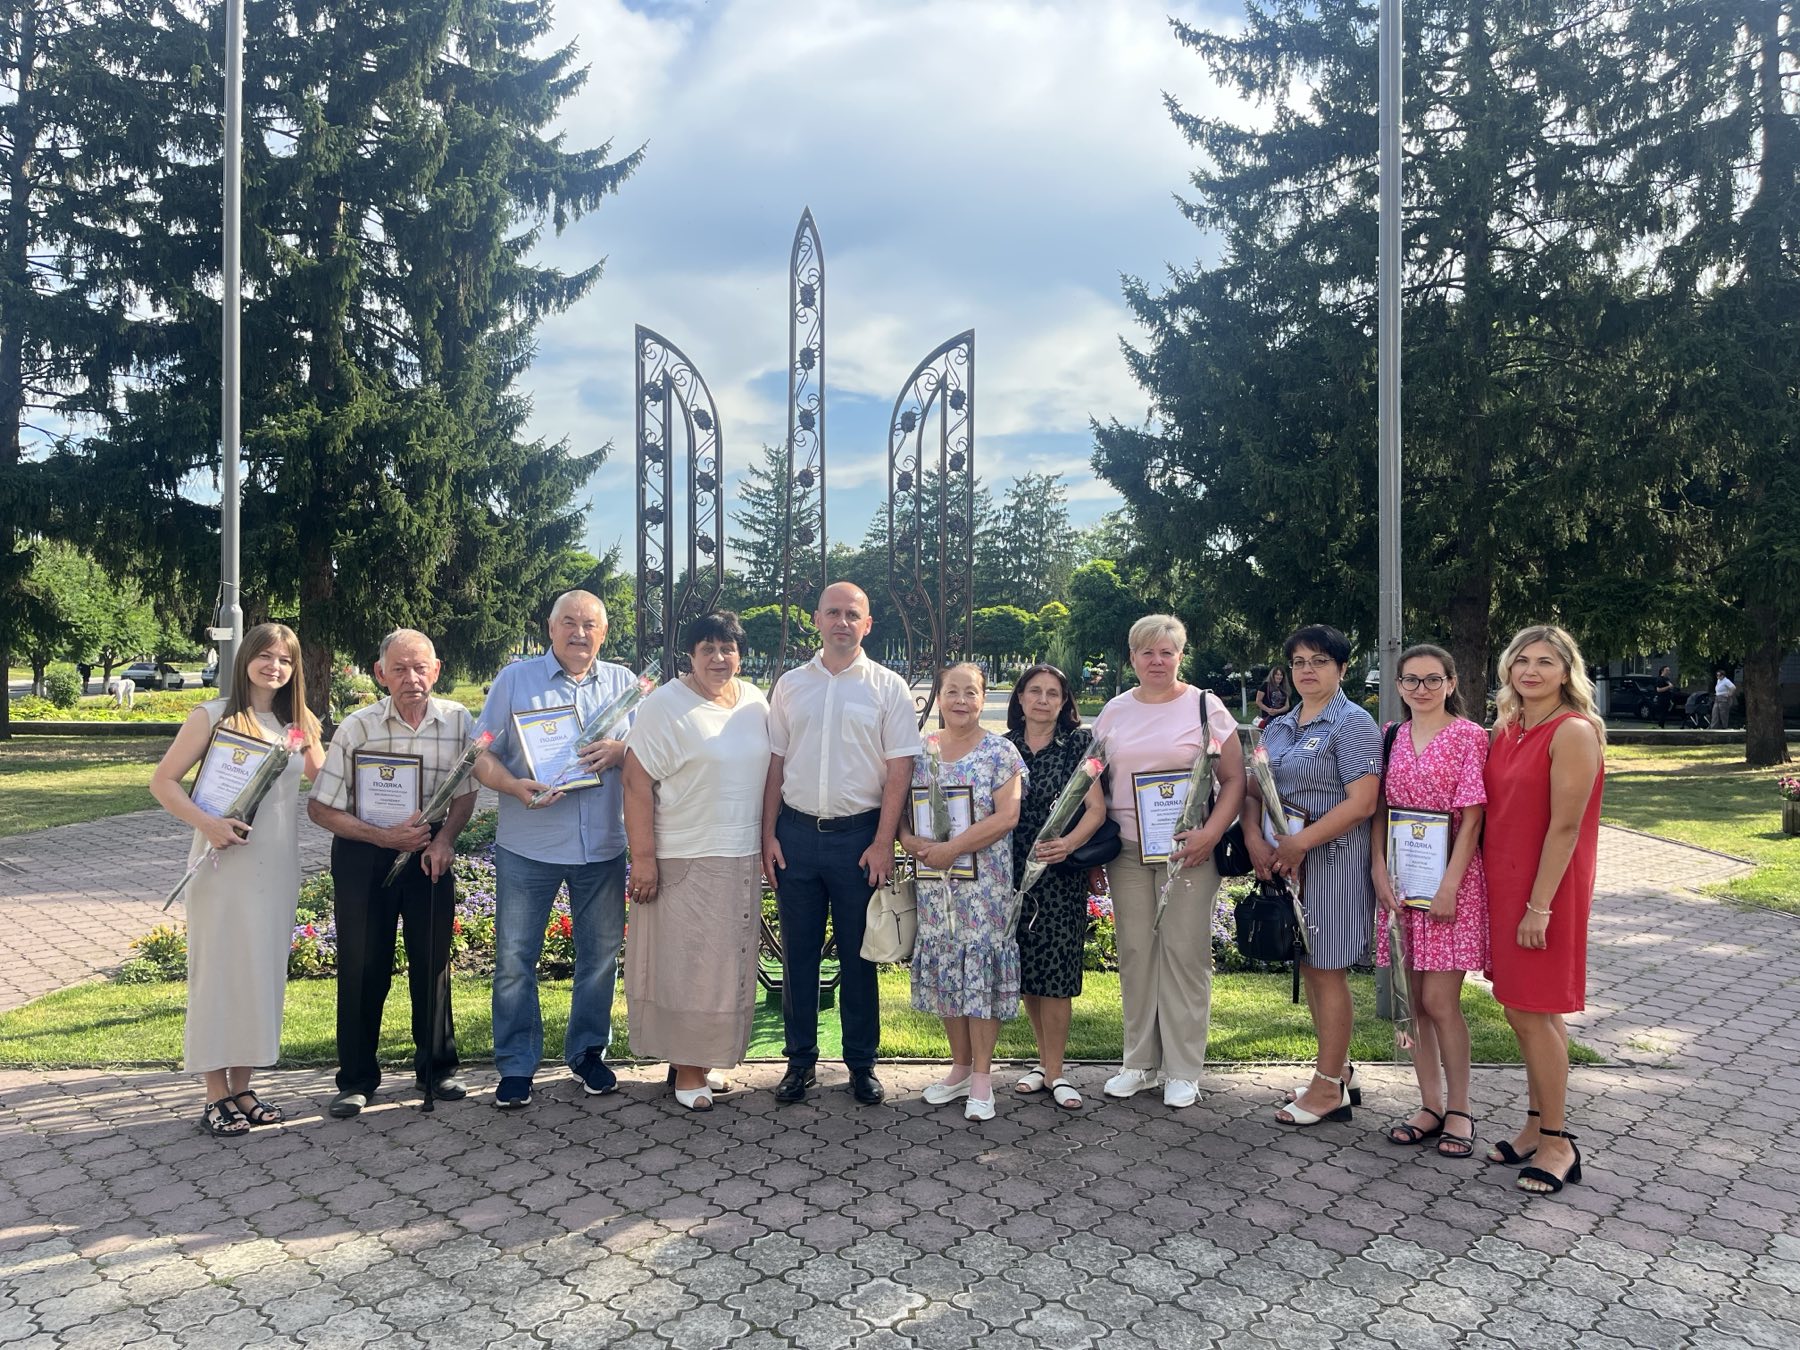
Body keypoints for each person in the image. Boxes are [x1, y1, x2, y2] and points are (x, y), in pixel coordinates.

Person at [148, 624, 325, 1137]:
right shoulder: (213, 716)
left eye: (285, 660)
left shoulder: (298, 725)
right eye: (266, 656)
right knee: (219, 976)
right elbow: (162, 782)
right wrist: (208, 824)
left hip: (276, 868)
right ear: (246, 657)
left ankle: (243, 1088)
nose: (275, 667)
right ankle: (214, 1094)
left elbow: (328, 779)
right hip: (221, 867)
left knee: (258, 976)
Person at [473, 590, 635, 1109]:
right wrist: (513, 785)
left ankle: (587, 1053)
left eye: (590, 624)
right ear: (550, 628)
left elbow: (653, 757)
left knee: (600, 959)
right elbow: (480, 753)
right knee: (515, 959)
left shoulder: (626, 685)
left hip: (603, 846)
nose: (579, 633)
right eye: (569, 622)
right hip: (530, 844)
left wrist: (622, 751)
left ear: (603, 633)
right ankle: (517, 1064)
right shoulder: (515, 680)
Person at [307, 629, 478, 1119]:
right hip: (365, 853)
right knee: (363, 966)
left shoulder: (458, 721)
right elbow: (320, 808)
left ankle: (437, 1069)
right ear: (380, 674)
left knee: (433, 962)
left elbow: (466, 791)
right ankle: (356, 1079)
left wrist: (445, 840)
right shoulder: (357, 727)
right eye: (399, 669)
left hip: (429, 852)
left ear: (436, 670)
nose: (411, 678)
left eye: (420, 668)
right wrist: (383, 838)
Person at [761, 581, 920, 1106]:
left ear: (867, 624)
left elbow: (900, 769)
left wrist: (883, 842)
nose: (842, 622)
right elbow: (776, 763)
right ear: (816, 619)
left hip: (859, 840)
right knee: (798, 956)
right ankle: (799, 1061)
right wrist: (768, 835)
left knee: (859, 956)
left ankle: (861, 1063)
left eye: (852, 614)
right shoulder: (790, 685)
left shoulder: (888, 687)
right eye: (833, 612)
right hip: (796, 836)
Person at [1091, 615, 1246, 1109]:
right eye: (1147, 652)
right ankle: (1139, 1062)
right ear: (1132, 658)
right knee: (1136, 953)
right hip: (1129, 851)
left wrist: (1211, 834)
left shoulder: (1205, 706)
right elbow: (1095, 779)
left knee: (1184, 953)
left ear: (1180, 655)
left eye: (1166, 652)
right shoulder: (1114, 711)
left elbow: (1235, 780)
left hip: (1189, 851)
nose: (1156, 661)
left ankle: (1182, 1068)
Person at [622, 611, 771, 1111]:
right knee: (689, 965)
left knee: (727, 967)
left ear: (740, 655)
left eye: (728, 648)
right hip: (684, 854)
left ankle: (705, 1059)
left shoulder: (754, 702)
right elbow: (635, 781)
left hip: (740, 852)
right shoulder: (666, 705)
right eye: (707, 648)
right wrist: (643, 858)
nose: (719, 658)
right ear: (690, 655)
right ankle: (686, 1069)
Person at [1483, 624, 1604, 1197]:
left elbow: (1565, 827)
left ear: (1566, 671)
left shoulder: (1572, 731)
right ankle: (1536, 1125)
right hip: (1507, 884)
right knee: (1524, 1010)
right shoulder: (1508, 728)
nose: (1531, 671)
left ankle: (1559, 1143)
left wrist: (1540, 905)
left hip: (1545, 891)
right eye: (1522, 660)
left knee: (1534, 1011)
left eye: (1546, 662)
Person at [1245, 623, 1382, 1128]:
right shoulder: (1278, 726)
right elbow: (1255, 789)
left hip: (1332, 863)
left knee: (1326, 970)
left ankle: (1327, 1091)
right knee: (1309, 966)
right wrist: (1255, 838)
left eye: (1320, 661)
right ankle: (1337, 1072)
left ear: (1342, 668)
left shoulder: (1353, 723)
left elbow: (1363, 802)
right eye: (1299, 662)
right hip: (1286, 865)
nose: (1308, 670)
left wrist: (1301, 843)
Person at [1371, 644, 1490, 1159]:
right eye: (1412, 680)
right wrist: (1378, 869)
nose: (1422, 689)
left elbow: (1473, 818)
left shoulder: (1469, 737)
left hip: (1449, 886)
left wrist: (1449, 887)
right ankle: (1429, 1105)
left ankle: (1460, 1108)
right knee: (1413, 1002)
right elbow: (1380, 809)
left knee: (1441, 1001)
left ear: (1451, 683)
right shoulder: (1390, 736)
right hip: (1402, 885)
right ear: (1398, 686)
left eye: (1433, 679)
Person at [901, 663, 1026, 1122]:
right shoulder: (921, 750)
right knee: (948, 968)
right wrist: (908, 840)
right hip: (936, 885)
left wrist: (952, 848)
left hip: (984, 887)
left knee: (979, 972)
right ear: (938, 696)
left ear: (983, 698)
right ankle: (958, 1067)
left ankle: (982, 1078)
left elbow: (1007, 816)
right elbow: (900, 810)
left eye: (970, 692)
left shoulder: (1000, 751)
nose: (960, 700)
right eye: (951, 691)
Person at [1005, 664, 1108, 1110]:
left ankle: (1057, 1071)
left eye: (1053, 693)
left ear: (1065, 702)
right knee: (1030, 972)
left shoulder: (1079, 745)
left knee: (1058, 975)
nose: (1043, 700)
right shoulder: (1003, 746)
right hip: (1012, 874)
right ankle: (1042, 1063)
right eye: (1035, 691)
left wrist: (1068, 844)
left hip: (1059, 874)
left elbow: (1096, 810)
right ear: (1021, 698)